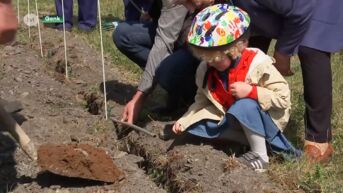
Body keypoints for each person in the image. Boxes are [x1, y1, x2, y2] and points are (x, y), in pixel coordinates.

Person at [175, 0, 342, 163]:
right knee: (242, 65)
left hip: (314, 6)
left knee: (310, 48)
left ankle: (319, 139)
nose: (191, 8)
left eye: (190, 1)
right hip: (268, 12)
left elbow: (301, 8)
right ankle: (248, 125)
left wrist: (283, 52)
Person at [172, 4, 300, 171]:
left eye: (216, 59)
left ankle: (260, 156)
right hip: (232, 118)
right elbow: (200, 101)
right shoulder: (206, 70)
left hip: (264, 119)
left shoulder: (257, 64)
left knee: (244, 105)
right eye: (207, 59)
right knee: (194, 126)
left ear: (236, 48)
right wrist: (184, 120)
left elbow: (283, 98)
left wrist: (252, 92)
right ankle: (248, 141)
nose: (211, 63)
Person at [113, 0, 200, 124]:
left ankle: (190, 97)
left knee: (165, 70)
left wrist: (139, 99)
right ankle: (174, 88)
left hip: (195, 41)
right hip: (174, 32)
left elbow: (164, 41)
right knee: (123, 35)